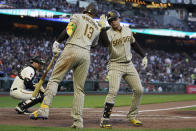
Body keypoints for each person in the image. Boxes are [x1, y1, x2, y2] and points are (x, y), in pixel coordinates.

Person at [30, 3, 100, 129]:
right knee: (79, 89)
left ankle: (44, 109)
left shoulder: (77, 16)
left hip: (72, 49)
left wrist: (57, 42)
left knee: (54, 80)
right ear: (94, 14)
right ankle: (78, 121)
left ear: (85, 10)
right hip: (86, 55)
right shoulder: (97, 27)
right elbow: (94, 44)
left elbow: (69, 29)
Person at [99, 10, 148, 128]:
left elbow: (134, 44)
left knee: (139, 90)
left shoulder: (127, 30)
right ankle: (104, 119)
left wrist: (144, 56)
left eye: (115, 19)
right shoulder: (108, 32)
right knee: (113, 91)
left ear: (119, 18)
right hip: (115, 65)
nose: (113, 22)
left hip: (129, 64)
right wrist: (102, 29)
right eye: (110, 21)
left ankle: (132, 116)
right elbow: (105, 44)